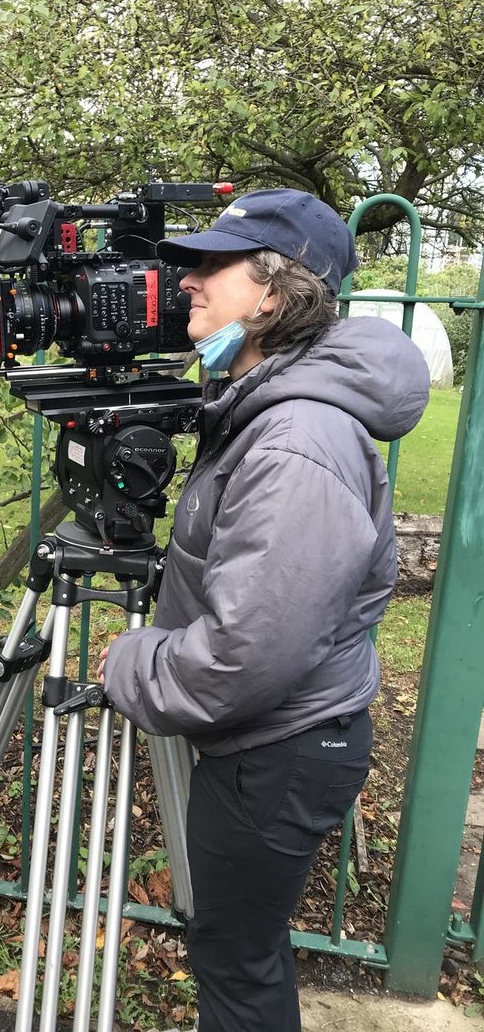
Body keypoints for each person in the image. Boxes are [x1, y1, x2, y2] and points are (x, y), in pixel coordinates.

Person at [97, 188, 430, 1032]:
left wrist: (129, 662)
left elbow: (248, 651)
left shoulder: (297, 440)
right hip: (273, 744)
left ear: (275, 295)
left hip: (276, 749)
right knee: (239, 951)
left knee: (237, 965)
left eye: (214, 266)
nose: (189, 283)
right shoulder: (264, 408)